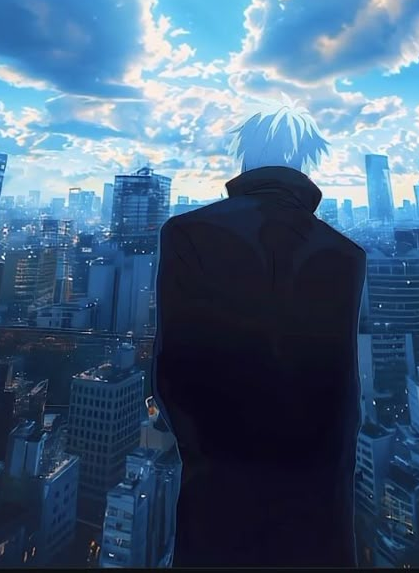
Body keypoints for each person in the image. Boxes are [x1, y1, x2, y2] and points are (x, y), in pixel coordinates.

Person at [151, 103, 366, 568]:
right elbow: (342, 394)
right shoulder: (346, 254)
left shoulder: (187, 233)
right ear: (305, 161)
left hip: (221, 493)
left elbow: (173, 377)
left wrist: (214, 460)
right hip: (319, 502)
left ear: (244, 158)